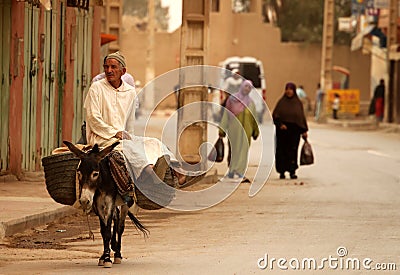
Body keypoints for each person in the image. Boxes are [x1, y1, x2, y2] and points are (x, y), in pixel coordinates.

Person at [84, 52, 197, 204]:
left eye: (113, 67)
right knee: (128, 148)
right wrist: (114, 133)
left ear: (123, 71)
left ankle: (178, 173)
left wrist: (129, 136)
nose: (109, 70)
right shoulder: (96, 88)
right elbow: (93, 118)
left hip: (122, 137)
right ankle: (150, 172)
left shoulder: (130, 92)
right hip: (101, 138)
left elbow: (130, 121)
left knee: (153, 142)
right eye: (106, 67)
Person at [219, 80, 259, 181]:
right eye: (246, 87)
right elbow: (225, 116)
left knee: (244, 150)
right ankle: (232, 170)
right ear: (241, 87)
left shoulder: (251, 103)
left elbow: (254, 119)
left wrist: (256, 131)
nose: (247, 89)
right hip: (234, 130)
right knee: (234, 150)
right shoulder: (232, 100)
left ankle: (240, 171)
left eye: (249, 87)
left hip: (247, 131)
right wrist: (222, 130)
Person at [272, 82, 308, 179]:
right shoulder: (281, 102)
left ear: (294, 91)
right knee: (281, 151)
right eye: (287, 89)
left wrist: (304, 131)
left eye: (291, 89)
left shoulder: (298, 103)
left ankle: (292, 171)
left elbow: (301, 117)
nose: (289, 91)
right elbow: (275, 115)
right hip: (282, 132)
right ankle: (282, 171)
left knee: (292, 151)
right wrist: (280, 124)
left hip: (294, 132)